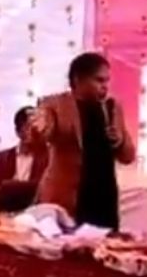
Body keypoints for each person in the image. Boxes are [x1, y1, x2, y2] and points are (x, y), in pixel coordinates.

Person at [31, 52, 136, 231]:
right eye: (99, 80)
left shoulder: (112, 107)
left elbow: (128, 157)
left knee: (104, 246)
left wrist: (119, 140)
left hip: (104, 198)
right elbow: (43, 133)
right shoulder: (55, 104)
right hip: (68, 197)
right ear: (78, 80)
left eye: (107, 81)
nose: (105, 86)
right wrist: (38, 126)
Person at [0, 106, 49, 213]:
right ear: (18, 131)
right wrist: (23, 189)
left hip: (36, 214)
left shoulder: (49, 157)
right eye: (29, 126)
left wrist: (9, 187)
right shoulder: (2, 157)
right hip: (3, 214)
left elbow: (43, 189)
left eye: (38, 126)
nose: (35, 130)